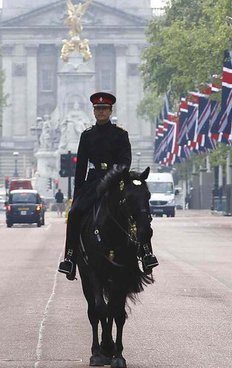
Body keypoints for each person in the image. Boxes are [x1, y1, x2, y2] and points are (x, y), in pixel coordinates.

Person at [57, 91, 158, 280]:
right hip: (94, 182)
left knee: (138, 210)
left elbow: (125, 162)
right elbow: (81, 167)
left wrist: (112, 176)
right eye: (98, 109)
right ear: (94, 112)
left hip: (117, 180)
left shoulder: (120, 134)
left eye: (104, 109)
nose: (101, 112)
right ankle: (70, 257)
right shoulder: (87, 136)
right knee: (75, 213)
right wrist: (77, 194)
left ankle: (146, 253)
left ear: (110, 111)